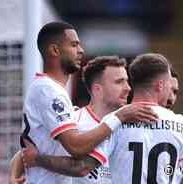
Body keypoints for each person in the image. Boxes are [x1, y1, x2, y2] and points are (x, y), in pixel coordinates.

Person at [22, 53, 183, 184]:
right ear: (160, 85)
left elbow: (82, 167)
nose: (172, 95)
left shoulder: (115, 123)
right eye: (169, 86)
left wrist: (36, 160)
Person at [20, 21, 158, 184]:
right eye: (74, 45)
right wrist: (120, 117)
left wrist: (22, 164)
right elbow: (76, 148)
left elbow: (31, 147)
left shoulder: (53, 92)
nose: (81, 51)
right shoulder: (49, 91)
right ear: (55, 50)